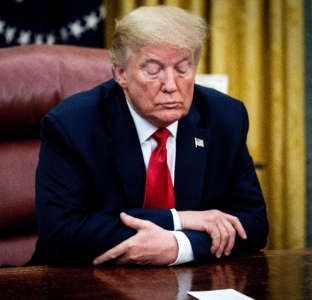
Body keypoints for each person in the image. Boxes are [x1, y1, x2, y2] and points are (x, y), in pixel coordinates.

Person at [30, 5, 268, 266]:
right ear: (120, 73)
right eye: (153, 70)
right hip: (85, 282)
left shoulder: (225, 118)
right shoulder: (72, 125)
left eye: (182, 69)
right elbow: (61, 233)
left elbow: (253, 224)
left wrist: (180, 246)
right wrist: (180, 220)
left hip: (192, 283)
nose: (170, 85)